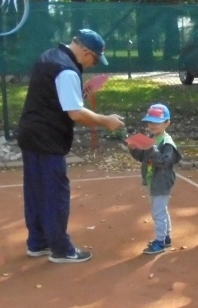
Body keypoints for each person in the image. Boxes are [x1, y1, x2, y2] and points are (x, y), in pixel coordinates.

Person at [16, 29, 124, 264]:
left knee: (35, 191)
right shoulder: (66, 70)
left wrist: (79, 92)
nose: (93, 64)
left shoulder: (50, 55)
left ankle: (38, 242)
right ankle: (61, 250)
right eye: (94, 59)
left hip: (30, 133)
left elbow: (53, 95)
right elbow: (75, 113)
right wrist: (106, 120)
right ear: (85, 52)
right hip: (48, 138)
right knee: (56, 193)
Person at [128, 104, 182, 255]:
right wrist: (134, 149)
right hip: (153, 179)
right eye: (150, 122)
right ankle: (165, 238)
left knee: (158, 213)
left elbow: (164, 162)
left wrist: (150, 148)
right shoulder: (152, 138)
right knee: (161, 210)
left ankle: (160, 242)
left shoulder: (167, 143)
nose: (152, 125)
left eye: (157, 122)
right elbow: (143, 157)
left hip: (162, 181)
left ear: (167, 123)